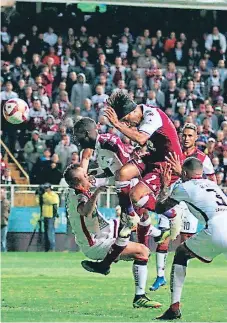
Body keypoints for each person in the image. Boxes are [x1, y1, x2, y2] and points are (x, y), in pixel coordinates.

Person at [80, 91, 182, 274]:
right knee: (122, 174)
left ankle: (171, 213)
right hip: (153, 157)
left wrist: (118, 125)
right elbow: (144, 141)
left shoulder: (152, 115)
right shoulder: (142, 117)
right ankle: (132, 219)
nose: (127, 125)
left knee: (135, 196)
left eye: (127, 121)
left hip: (167, 164)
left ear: (131, 113)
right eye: (125, 123)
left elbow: (142, 138)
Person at [63, 164, 161, 309]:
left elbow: (82, 171)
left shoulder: (76, 190)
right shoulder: (78, 196)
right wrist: (97, 193)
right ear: (77, 182)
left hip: (103, 232)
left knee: (132, 216)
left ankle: (157, 234)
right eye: (85, 176)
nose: (88, 177)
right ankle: (139, 296)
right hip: (96, 244)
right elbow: (85, 211)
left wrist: (87, 157)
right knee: (142, 251)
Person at [154, 158, 227, 320]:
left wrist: (165, 185)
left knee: (181, 252)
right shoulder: (212, 184)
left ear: (184, 173)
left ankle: (174, 307)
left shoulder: (183, 187)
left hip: (217, 228)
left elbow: (160, 208)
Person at [150, 122, 216, 291]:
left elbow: (212, 182)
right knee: (164, 237)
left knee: (186, 242)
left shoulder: (202, 158)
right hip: (172, 199)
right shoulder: (173, 153)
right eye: (184, 135)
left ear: (195, 138)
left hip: (189, 204)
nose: (186, 138)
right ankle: (160, 276)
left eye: (190, 136)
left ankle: (178, 274)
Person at [38, 183, 60, 252]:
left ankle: (51, 248)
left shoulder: (53, 195)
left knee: (50, 232)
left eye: (46, 188)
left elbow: (50, 201)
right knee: (46, 233)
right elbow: (39, 202)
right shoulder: (46, 195)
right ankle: (47, 248)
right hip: (45, 215)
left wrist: (43, 195)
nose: (45, 190)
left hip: (51, 216)